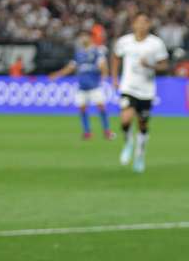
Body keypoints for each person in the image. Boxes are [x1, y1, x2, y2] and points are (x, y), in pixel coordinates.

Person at [111, 13, 169, 173]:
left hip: (146, 91)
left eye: (145, 22)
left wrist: (150, 65)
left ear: (149, 24)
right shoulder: (125, 41)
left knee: (142, 124)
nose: (142, 25)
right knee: (125, 119)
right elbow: (116, 57)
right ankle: (129, 142)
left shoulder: (156, 44)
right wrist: (115, 77)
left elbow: (164, 65)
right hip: (128, 87)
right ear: (133, 24)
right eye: (139, 22)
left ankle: (140, 155)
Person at [50, 30, 114, 140]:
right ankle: (87, 132)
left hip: (94, 85)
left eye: (85, 36)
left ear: (90, 38)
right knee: (82, 109)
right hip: (82, 86)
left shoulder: (96, 51)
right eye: (81, 37)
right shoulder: (78, 53)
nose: (83, 39)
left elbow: (103, 64)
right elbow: (71, 67)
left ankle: (107, 130)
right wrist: (58, 74)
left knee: (101, 106)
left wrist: (104, 75)